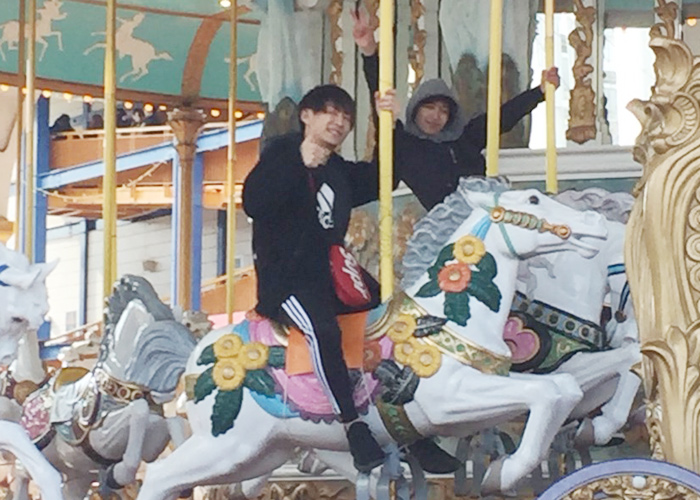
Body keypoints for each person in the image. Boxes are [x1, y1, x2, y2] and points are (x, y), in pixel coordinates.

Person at [243, 85, 386, 472]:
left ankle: (400, 419)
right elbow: (253, 202)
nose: (339, 122)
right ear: (306, 116)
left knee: (389, 314)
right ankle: (352, 424)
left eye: (346, 117)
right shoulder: (280, 155)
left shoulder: (338, 170)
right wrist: (297, 165)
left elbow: (384, 175)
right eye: (330, 112)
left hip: (330, 273)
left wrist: (384, 117)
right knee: (321, 328)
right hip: (288, 279)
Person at [352, 9, 561, 210]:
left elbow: (504, 117)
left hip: (484, 212)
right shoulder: (403, 144)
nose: (436, 115)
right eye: (429, 107)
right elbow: (379, 97)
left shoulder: (466, 139)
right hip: (449, 220)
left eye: (444, 111)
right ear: (416, 110)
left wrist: (540, 92)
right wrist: (369, 51)